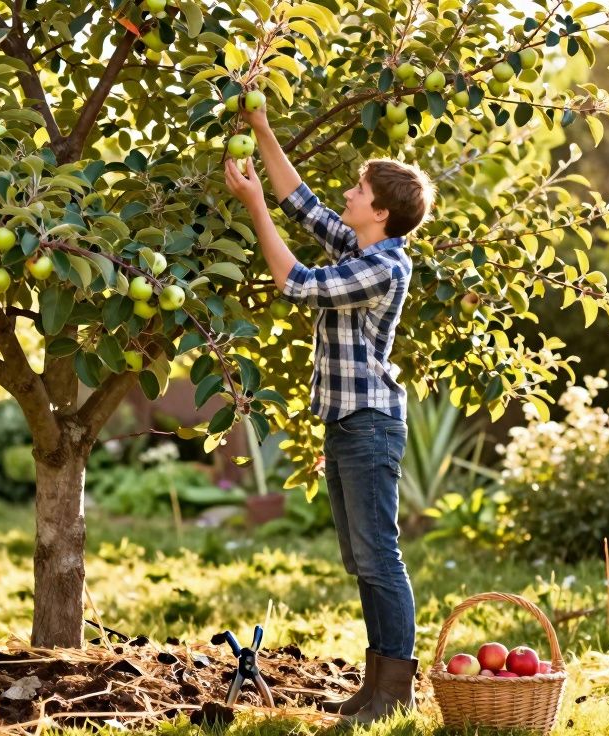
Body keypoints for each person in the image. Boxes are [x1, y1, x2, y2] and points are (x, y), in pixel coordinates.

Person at [224, 99, 435, 725]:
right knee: (360, 558)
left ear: (381, 211)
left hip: (370, 425)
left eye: (359, 188)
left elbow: (297, 284)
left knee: (378, 556)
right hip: (349, 424)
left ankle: (394, 691)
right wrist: (261, 128)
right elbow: (303, 202)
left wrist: (252, 208)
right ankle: (376, 686)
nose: (347, 192)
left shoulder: (382, 266)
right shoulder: (359, 243)